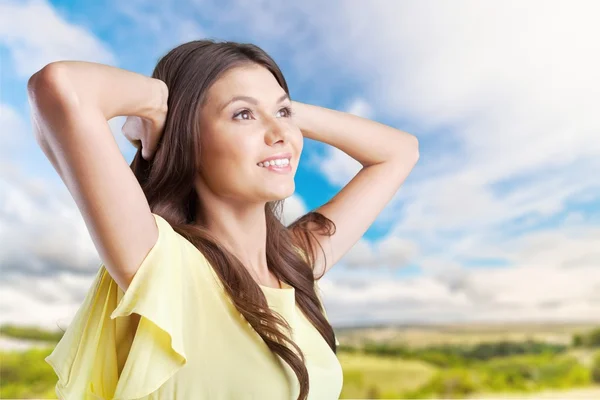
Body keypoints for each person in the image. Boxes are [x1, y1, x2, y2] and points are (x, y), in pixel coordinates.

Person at [27, 39, 419, 400]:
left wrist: (279, 111)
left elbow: (400, 151)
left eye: (284, 113)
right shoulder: (164, 264)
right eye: (242, 114)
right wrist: (156, 103)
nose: (281, 132)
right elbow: (59, 85)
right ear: (187, 136)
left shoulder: (294, 264)